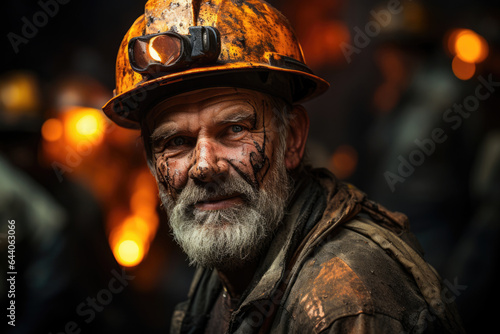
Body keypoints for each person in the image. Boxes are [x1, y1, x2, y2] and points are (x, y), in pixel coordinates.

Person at [102, 0, 464, 332]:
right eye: (176, 142)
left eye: (234, 129)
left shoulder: (347, 303)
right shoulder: (230, 269)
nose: (203, 166)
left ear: (291, 138)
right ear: (152, 162)